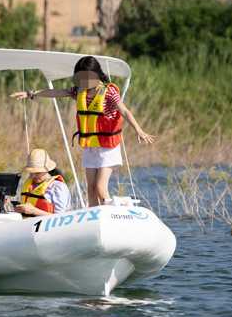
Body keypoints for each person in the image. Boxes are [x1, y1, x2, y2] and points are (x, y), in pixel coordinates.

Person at [9, 56, 156, 207]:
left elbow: (125, 111)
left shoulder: (109, 92)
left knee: (100, 187)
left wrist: (139, 130)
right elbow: (58, 92)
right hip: (90, 146)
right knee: (91, 188)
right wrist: (31, 93)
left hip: (108, 147)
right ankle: (94, 214)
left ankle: (114, 211)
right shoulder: (80, 91)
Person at [15, 149, 70, 216]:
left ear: (47, 170)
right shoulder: (29, 184)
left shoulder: (58, 187)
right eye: (31, 173)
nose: (33, 176)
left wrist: (34, 211)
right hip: (28, 225)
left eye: (38, 173)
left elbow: (60, 218)